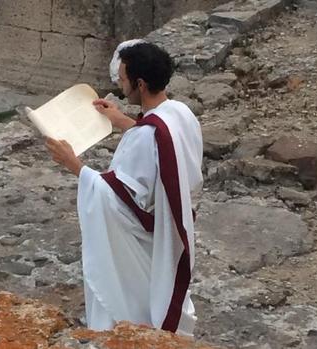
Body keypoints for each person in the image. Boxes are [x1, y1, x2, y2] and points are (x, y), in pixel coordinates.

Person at [45, 41, 203, 336]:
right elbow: (165, 153)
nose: (119, 82)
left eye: (123, 78)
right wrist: (126, 122)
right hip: (175, 221)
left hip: (148, 238)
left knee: (135, 305)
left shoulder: (145, 136)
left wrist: (74, 164)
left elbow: (120, 198)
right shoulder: (181, 114)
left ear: (140, 84)